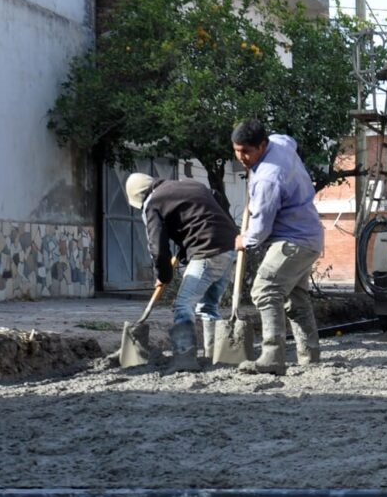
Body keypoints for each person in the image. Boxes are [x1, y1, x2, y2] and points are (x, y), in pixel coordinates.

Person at [231, 118, 324, 375]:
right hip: (310, 237)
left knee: (265, 289)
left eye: (246, 151)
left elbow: (261, 229)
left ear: (262, 145)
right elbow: (288, 139)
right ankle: (310, 355)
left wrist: (244, 240)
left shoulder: (268, 179)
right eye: (237, 150)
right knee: (296, 299)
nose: (241, 157)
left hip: (293, 241)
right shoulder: (279, 143)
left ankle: (272, 356)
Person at [124, 173, 239, 372]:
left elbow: (157, 247)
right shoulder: (191, 185)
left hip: (207, 250)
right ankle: (213, 356)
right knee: (208, 306)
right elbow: (213, 202)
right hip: (231, 246)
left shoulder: (153, 202)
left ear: (140, 197)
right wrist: (187, 245)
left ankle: (185, 357)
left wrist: (163, 275)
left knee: (183, 305)